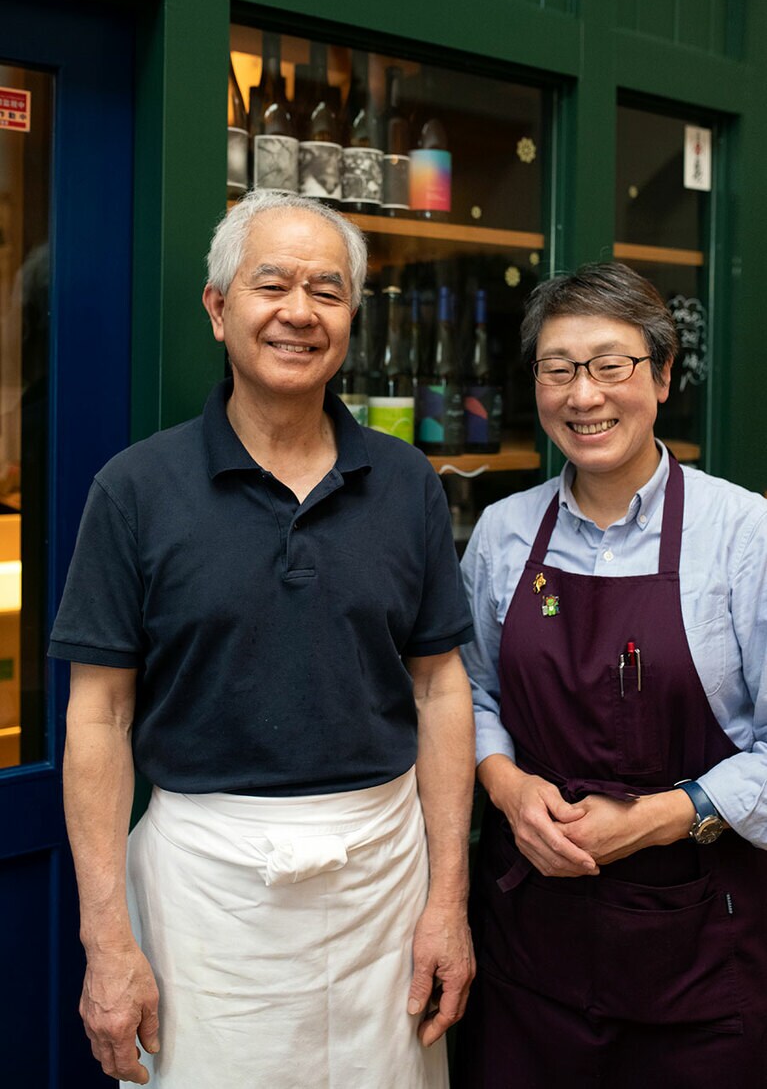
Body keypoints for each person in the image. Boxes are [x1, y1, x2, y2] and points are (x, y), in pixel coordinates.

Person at [50, 189, 476, 1088]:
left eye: (327, 290)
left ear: (352, 317)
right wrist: (106, 939)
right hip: (203, 890)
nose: (298, 312)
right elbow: (98, 718)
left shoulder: (405, 484)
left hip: (383, 883)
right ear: (217, 308)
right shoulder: (134, 489)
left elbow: (441, 692)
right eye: (270, 283)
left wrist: (449, 903)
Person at [454, 262, 767, 1087]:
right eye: (558, 369)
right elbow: (471, 690)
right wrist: (504, 786)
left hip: (700, 958)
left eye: (609, 365)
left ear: (662, 375)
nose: (582, 395)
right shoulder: (501, 534)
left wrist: (670, 814)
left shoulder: (743, 535)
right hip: (530, 950)